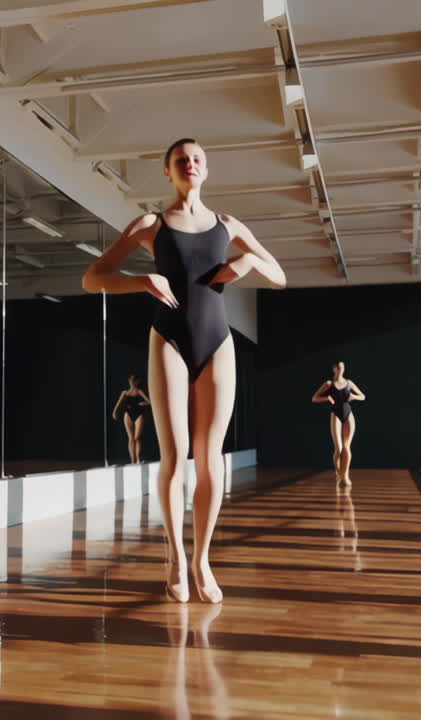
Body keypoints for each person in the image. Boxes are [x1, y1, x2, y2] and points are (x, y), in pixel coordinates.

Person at [83, 138, 286, 603]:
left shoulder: (228, 225)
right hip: (169, 340)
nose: (189, 165)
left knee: (210, 459)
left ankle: (202, 561)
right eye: (181, 160)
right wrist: (140, 280)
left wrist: (250, 260)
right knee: (174, 458)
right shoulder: (151, 224)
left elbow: (280, 275)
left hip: (218, 343)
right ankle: (175, 557)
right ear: (167, 170)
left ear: (206, 169)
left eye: (196, 159)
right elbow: (93, 278)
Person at [311, 361, 366, 486]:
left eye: (343, 367)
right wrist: (327, 398)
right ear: (334, 369)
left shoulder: (349, 383)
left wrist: (354, 396)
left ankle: (345, 475)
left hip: (348, 414)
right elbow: (314, 398)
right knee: (339, 448)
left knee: (347, 446)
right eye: (339, 367)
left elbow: (363, 396)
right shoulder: (329, 384)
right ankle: (338, 472)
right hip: (335, 414)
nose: (341, 369)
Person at [112, 374, 151, 463]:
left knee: (137, 437)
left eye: (134, 380)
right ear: (129, 381)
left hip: (138, 414)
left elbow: (150, 401)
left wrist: (143, 403)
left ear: (137, 382)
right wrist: (114, 412)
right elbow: (118, 404)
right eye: (131, 380)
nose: (132, 382)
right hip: (128, 414)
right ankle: (132, 460)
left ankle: (138, 458)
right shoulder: (125, 393)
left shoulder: (139, 391)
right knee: (131, 438)